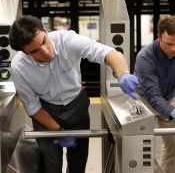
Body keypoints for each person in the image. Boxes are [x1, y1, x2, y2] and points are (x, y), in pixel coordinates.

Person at [9, 15, 139, 173]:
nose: (45, 51)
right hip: (45, 111)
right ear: (24, 53)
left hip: (77, 106)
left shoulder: (67, 40)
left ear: (44, 31)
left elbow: (108, 53)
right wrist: (58, 132)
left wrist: (123, 74)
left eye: (44, 41)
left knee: (78, 161)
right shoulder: (19, 68)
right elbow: (33, 106)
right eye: (35, 51)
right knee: (51, 164)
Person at [134, 15, 175, 173]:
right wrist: (171, 111)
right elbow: (153, 96)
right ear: (159, 37)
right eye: (169, 44)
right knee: (145, 148)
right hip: (145, 101)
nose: (174, 49)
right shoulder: (145, 58)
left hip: (170, 96)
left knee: (172, 147)